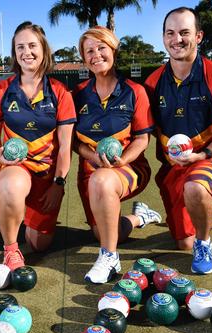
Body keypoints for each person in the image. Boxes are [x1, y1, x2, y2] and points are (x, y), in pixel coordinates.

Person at [144, 7, 212, 275]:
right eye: (170, 33)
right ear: (164, 38)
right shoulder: (153, 82)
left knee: (196, 187)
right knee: (181, 242)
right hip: (173, 166)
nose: (177, 39)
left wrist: (204, 154)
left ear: (198, 36)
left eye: (184, 32)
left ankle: (205, 242)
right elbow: (147, 127)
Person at [73, 27, 161, 284]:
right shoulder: (76, 94)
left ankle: (109, 257)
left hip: (130, 167)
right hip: (90, 172)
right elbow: (73, 143)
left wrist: (122, 160)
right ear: (83, 58)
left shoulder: (134, 91)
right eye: (89, 51)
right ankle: (140, 216)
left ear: (113, 50)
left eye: (102, 48)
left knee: (103, 182)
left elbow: (143, 139)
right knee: (103, 231)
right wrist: (92, 156)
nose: (96, 55)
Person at [0, 21, 76, 270]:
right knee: (13, 185)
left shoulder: (60, 92)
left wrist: (58, 183)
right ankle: (10, 250)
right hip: (14, 167)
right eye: (20, 47)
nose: (27, 52)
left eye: (32, 45)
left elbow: (66, 147)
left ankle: (18, 213)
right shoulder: (1, 90)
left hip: (47, 175)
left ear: (44, 49)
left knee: (39, 243)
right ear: (14, 53)